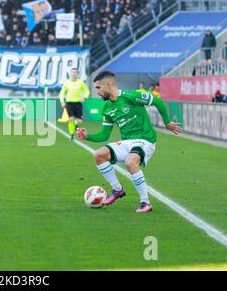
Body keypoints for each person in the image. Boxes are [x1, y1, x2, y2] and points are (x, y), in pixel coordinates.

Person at [76, 71, 181, 213]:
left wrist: (167, 123)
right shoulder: (107, 108)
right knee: (99, 155)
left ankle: (145, 202)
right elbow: (104, 135)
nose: (97, 92)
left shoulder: (131, 96)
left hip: (145, 140)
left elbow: (157, 101)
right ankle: (117, 190)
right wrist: (87, 136)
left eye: (98, 88)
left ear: (109, 84)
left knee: (130, 162)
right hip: (127, 142)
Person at [59, 68, 90, 140]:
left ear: (77, 74)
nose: (73, 74)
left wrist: (85, 97)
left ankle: (76, 126)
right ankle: (72, 134)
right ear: (70, 74)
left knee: (79, 121)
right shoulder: (66, 83)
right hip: (69, 103)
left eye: (75, 73)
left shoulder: (81, 82)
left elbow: (87, 91)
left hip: (78, 103)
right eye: (72, 73)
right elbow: (62, 93)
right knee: (71, 119)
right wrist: (62, 101)